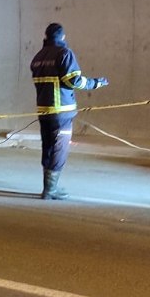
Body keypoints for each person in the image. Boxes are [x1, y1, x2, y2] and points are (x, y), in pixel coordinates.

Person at [30, 23, 108, 199]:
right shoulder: (64, 54)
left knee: (48, 147)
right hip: (62, 113)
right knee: (59, 149)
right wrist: (95, 83)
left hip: (43, 111)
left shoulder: (38, 57)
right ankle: (50, 190)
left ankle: (47, 188)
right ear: (62, 37)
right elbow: (74, 81)